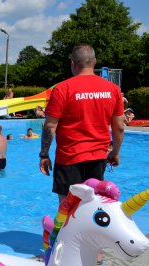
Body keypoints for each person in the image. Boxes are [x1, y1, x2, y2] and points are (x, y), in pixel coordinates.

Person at [39, 43, 124, 203]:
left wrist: (44, 154)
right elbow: (119, 127)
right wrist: (115, 152)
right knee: (94, 207)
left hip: (69, 158)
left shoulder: (62, 89)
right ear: (94, 62)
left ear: (73, 63)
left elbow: (50, 126)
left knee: (67, 209)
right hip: (98, 158)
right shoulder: (113, 89)